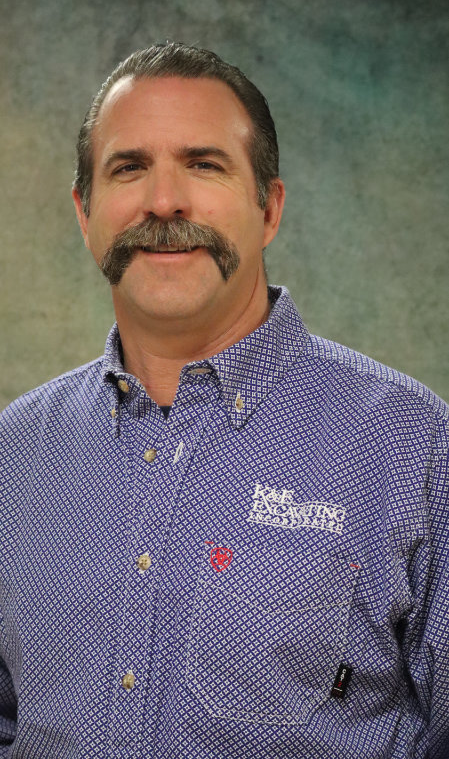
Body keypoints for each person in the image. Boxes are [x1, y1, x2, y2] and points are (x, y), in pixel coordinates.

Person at [0, 43, 448, 759]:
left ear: (268, 208)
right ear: (85, 213)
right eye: (128, 167)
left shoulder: (410, 446)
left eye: (204, 164)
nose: (163, 200)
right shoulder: (15, 453)